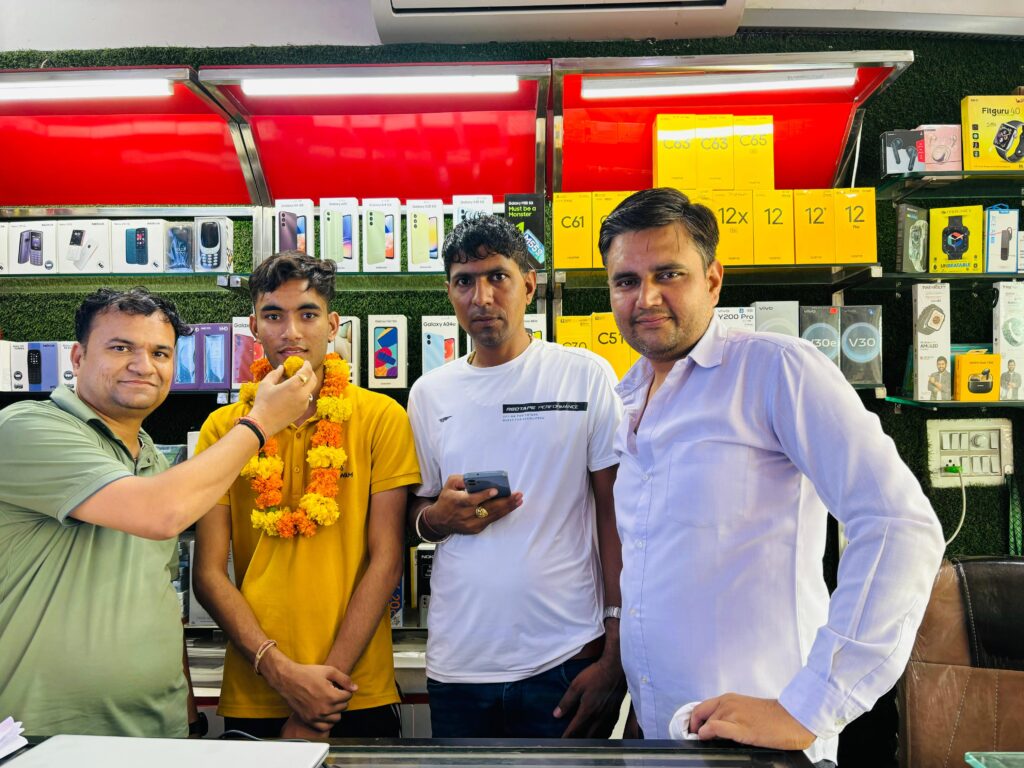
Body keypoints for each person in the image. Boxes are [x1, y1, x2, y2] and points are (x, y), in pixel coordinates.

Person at [598, 188, 945, 766]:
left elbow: (899, 524)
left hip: (761, 741)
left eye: (669, 274)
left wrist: (809, 706)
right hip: (667, 733)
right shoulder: (630, 394)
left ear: (713, 280)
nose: (646, 297)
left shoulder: (774, 369)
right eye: (626, 281)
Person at [0, 287, 315, 738]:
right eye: (121, 348)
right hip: (45, 735)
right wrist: (262, 421)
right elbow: (159, 513)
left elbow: (160, 594)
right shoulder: (26, 428)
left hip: (159, 731)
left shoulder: (152, 458)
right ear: (78, 357)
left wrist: (188, 716)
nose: (143, 365)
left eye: (160, 353)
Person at [407, 215, 626, 739]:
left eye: (497, 277)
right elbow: (414, 513)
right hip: (459, 663)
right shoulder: (429, 393)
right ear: (449, 292)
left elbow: (616, 515)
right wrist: (437, 520)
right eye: (464, 281)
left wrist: (616, 653)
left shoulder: (584, 374)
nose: (481, 297)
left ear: (528, 285)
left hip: (566, 656)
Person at [192, 252, 421, 740]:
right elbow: (208, 574)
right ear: (254, 326)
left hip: (356, 688)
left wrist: (323, 692)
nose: (291, 332)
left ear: (333, 324)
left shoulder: (381, 417)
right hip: (256, 685)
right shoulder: (224, 428)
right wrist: (280, 673)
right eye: (274, 315)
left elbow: (387, 561)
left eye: (308, 314)